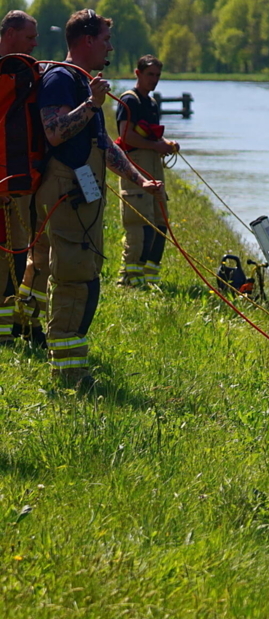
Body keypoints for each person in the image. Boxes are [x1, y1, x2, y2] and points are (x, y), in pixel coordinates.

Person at [37, 9, 162, 386]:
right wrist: (91, 103)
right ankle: (66, 373)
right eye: (105, 40)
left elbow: (103, 144)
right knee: (72, 276)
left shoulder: (85, 82)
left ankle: (75, 365)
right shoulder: (59, 79)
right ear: (86, 41)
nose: (110, 46)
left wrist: (139, 178)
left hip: (85, 200)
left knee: (88, 277)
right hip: (64, 195)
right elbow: (54, 133)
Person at [115, 54, 177, 287]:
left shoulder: (151, 103)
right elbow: (126, 136)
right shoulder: (129, 100)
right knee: (140, 226)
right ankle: (129, 279)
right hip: (136, 167)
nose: (155, 80)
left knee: (160, 223)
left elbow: (153, 136)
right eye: (150, 74)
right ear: (137, 73)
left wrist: (168, 144)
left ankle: (150, 278)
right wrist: (156, 145)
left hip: (154, 167)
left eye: (158, 75)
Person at [0, 10, 39, 343]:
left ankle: (10, 329)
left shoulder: (29, 73)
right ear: (10, 34)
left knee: (17, 251)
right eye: (29, 38)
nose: (35, 44)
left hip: (20, 181)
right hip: (3, 179)